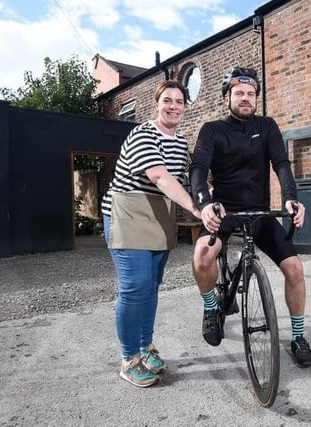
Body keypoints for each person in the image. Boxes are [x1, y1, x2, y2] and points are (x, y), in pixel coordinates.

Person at [189, 66, 311, 368]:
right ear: (227, 97)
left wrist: (291, 199)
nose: (245, 98)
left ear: (256, 98)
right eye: (239, 93)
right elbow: (198, 170)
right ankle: (210, 308)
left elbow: (281, 164)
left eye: (250, 94)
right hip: (225, 211)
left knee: (295, 269)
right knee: (203, 255)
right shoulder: (212, 130)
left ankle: (298, 336)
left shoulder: (267, 127)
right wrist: (205, 203)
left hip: (259, 214)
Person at [101, 80, 202, 387]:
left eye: (179, 101)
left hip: (159, 214)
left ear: (185, 107)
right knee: (135, 286)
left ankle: (146, 347)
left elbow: (189, 180)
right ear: (156, 105)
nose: (173, 106)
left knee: (152, 286)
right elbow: (160, 176)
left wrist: (208, 199)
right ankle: (129, 358)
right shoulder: (143, 133)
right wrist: (194, 208)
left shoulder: (181, 142)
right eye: (167, 100)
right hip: (128, 212)